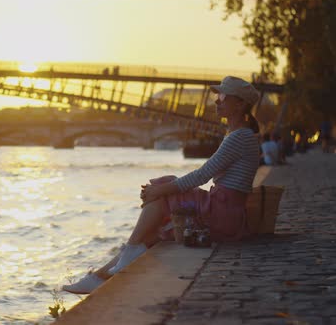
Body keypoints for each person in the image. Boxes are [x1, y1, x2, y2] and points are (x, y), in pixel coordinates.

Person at [62, 76, 261, 294]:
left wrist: (158, 190)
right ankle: (102, 276)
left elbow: (201, 176)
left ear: (240, 103)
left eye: (223, 96)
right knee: (158, 229)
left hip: (224, 213)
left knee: (164, 189)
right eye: (217, 96)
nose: (217, 101)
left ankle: (121, 258)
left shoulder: (239, 137)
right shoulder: (238, 134)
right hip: (227, 213)